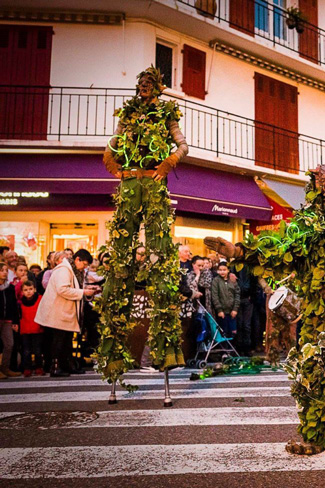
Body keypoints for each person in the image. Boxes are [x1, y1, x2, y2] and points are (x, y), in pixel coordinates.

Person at [97, 65, 188, 382]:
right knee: (120, 258)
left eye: (149, 83)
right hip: (130, 185)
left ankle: (165, 349)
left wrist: (168, 162)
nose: (144, 87)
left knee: (161, 255)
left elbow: (182, 144)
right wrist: (112, 162)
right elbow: (114, 142)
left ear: (158, 87)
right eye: (141, 83)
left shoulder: (167, 112)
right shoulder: (129, 114)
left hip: (153, 183)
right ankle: (112, 352)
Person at [35, 249, 97, 377]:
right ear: (77, 260)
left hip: (65, 311)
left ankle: (66, 365)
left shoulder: (71, 269)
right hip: (58, 311)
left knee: (66, 340)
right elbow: (63, 289)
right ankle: (56, 367)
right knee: (59, 340)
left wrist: (85, 290)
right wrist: (83, 292)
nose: (84, 268)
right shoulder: (64, 270)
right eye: (84, 264)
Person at [19, 280, 44, 377]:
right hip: (25, 329)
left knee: (38, 350)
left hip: (37, 329)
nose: (28, 291)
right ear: (22, 292)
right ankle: (27, 368)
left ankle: (39, 367)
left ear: (35, 289)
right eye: (25, 290)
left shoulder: (40, 299)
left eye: (30, 289)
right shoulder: (20, 302)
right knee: (26, 350)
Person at [0, 262, 20, 378]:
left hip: (7, 320)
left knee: (9, 344)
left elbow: (13, 305)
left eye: (6, 270)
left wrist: (15, 321)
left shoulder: (10, 287)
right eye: (2, 270)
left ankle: (5, 368)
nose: (4, 273)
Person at [211, 262, 240, 337]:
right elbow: (215, 296)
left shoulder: (232, 280)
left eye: (224, 270)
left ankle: (233, 347)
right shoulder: (216, 281)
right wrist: (219, 310)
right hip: (222, 312)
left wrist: (235, 309)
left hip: (232, 311)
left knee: (233, 332)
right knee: (224, 331)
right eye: (220, 270)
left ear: (228, 270)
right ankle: (224, 348)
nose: (222, 272)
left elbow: (237, 294)